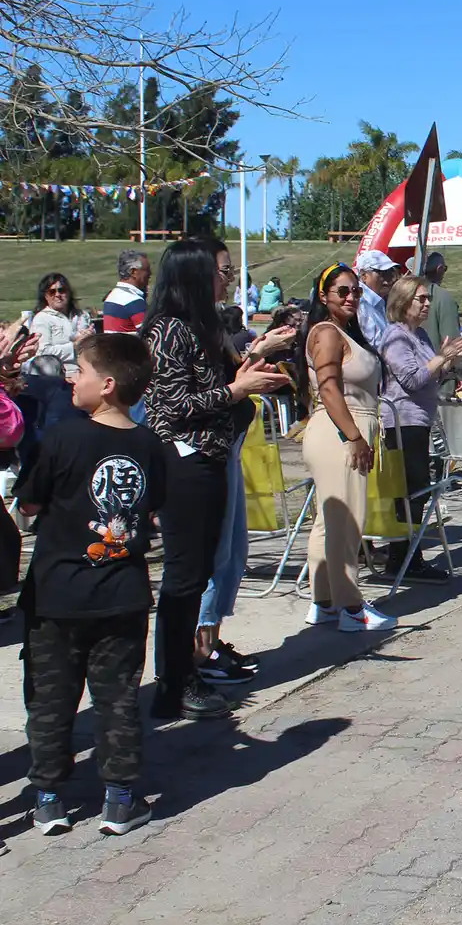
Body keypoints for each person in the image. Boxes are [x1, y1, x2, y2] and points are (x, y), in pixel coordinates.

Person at [16, 332, 166, 837]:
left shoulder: (62, 436)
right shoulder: (148, 445)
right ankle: (120, 799)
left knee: (51, 702)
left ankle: (49, 799)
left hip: (57, 595)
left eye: (77, 371)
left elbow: (31, 502)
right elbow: (151, 508)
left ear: (104, 384)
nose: (69, 379)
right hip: (121, 592)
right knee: (117, 698)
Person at [143, 239, 288, 720]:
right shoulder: (167, 330)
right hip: (183, 462)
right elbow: (170, 408)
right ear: (195, 275)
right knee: (183, 578)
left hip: (211, 457)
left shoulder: (201, 329)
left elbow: (211, 391)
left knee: (202, 569)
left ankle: (187, 669)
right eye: (222, 271)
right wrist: (236, 389)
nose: (228, 279)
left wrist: (248, 373)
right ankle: (173, 681)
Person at [196, 242, 300, 689]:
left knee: (233, 555)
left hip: (229, 447)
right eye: (224, 270)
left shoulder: (211, 326)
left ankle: (212, 640)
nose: (231, 276)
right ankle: (199, 650)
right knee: (214, 556)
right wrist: (244, 383)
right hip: (203, 455)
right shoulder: (184, 329)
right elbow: (189, 401)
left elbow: (231, 375)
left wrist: (262, 350)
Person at [300, 264, 398, 630]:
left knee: (330, 521)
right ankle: (351, 608)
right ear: (323, 296)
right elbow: (328, 389)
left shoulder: (344, 332)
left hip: (345, 427)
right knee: (346, 523)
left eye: (355, 290)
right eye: (342, 291)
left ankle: (325, 602)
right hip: (339, 429)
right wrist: (354, 437)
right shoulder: (326, 333)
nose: (351, 297)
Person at [380, 275, 462, 581]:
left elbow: (429, 373)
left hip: (418, 420)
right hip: (401, 422)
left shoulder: (419, 335)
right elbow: (412, 379)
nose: (426, 304)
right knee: (409, 491)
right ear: (402, 301)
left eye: (427, 299)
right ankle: (403, 558)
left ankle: (407, 555)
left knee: (416, 490)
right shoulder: (396, 337)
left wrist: (449, 359)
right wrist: (441, 358)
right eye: (420, 299)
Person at [29, 273, 92, 374]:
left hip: (86, 372)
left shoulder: (82, 315)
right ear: (46, 296)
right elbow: (41, 353)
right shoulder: (42, 319)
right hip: (60, 375)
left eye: (62, 290)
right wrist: (74, 346)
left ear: (69, 292)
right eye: (52, 292)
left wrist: (91, 339)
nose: (58, 295)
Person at [354, 250, 400, 346]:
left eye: (390, 272)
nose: (388, 279)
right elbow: (377, 346)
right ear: (364, 276)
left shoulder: (378, 302)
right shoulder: (361, 305)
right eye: (382, 273)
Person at [421, 252, 462, 351]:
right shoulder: (443, 298)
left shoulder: (404, 292)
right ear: (439, 269)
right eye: (445, 269)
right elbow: (451, 340)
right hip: (437, 362)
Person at [102, 250, 150, 334]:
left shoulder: (112, 296)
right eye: (147, 270)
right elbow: (152, 335)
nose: (150, 274)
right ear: (133, 272)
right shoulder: (133, 301)